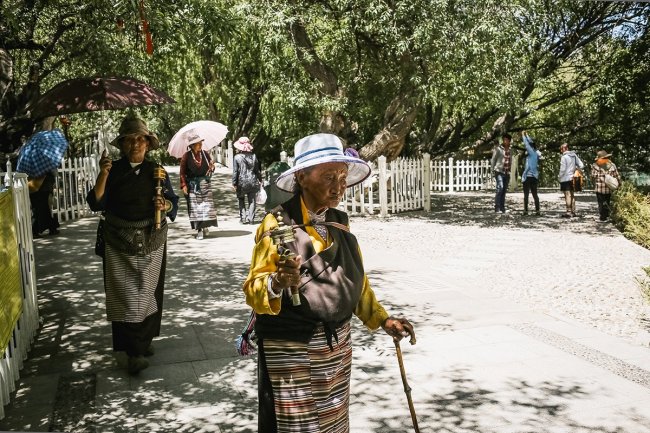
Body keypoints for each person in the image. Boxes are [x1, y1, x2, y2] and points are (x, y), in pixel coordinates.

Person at [242, 133, 416, 432]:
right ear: (302, 177)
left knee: (334, 421)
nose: (339, 186)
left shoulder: (339, 221)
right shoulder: (277, 224)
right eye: (328, 176)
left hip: (337, 348)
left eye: (342, 176)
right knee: (299, 426)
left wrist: (383, 320)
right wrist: (278, 282)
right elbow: (253, 289)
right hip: (293, 346)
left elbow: (356, 283)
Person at [86, 116, 179, 375]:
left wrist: (166, 205)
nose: (136, 144)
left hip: (152, 239)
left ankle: (143, 342)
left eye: (141, 139)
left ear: (148, 144)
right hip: (118, 240)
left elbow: (172, 202)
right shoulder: (112, 169)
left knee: (148, 293)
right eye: (130, 139)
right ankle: (131, 351)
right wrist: (103, 175)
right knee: (124, 297)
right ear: (122, 144)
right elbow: (95, 202)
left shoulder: (156, 170)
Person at [179, 130, 218, 240]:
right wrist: (184, 185)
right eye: (198, 143)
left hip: (205, 184)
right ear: (192, 145)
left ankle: (205, 226)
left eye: (201, 142)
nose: (200, 144)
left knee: (207, 208)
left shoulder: (205, 154)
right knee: (196, 209)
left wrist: (212, 167)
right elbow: (182, 172)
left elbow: (211, 168)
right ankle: (199, 230)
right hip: (193, 185)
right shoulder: (186, 156)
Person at [232, 136, 262, 224]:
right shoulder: (254, 156)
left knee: (241, 199)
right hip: (253, 181)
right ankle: (251, 219)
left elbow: (235, 172)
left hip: (241, 183)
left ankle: (243, 218)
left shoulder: (237, 157)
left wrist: (234, 183)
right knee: (252, 200)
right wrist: (260, 179)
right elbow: (257, 170)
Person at [590, 150, 621, 222]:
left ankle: (602, 217)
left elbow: (593, 176)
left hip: (599, 188)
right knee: (607, 201)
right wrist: (619, 184)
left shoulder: (595, 165)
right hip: (608, 188)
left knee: (601, 203)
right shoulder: (612, 165)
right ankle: (606, 216)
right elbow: (617, 176)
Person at [28, 170, 60, 237]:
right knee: (41, 210)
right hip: (41, 188)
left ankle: (51, 228)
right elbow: (54, 173)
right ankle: (36, 230)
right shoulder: (45, 164)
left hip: (38, 187)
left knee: (42, 209)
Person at [558, 143, 584, 218]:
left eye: (561, 149)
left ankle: (568, 211)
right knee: (572, 194)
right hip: (573, 178)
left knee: (567, 195)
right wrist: (576, 168)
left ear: (564, 149)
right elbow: (581, 165)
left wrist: (560, 177)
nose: (561, 150)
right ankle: (573, 211)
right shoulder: (574, 156)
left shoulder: (564, 157)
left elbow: (562, 169)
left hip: (565, 178)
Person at [520, 131, 542, 216]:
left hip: (528, 177)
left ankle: (525, 211)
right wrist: (527, 135)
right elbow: (531, 142)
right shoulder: (536, 153)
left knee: (526, 195)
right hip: (534, 177)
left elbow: (527, 144)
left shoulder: (532, 153)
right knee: (535, 194)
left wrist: (523, 135)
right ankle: (537, 210)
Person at [491, 133, 512, 213]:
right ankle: (497, 207)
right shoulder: (498, 149)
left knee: (504, 190)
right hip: (499, 171)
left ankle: (502, 207)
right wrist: (493, 170)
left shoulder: (510, 149)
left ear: (509, 141)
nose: (505, 141)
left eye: (507, 140)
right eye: (504, 139)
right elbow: (493, 160)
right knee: (500, 188)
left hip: (507, 172)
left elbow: (510, 160)